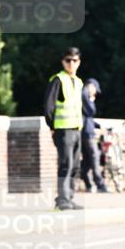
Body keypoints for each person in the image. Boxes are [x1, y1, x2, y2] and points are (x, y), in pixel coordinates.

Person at [44, 47, 84, 211]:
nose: (71, 63)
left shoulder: (79, 82)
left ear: (79, 62)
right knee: (65, 164)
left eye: (74, 60)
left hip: (76, 128)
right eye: (68, 60)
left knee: (75, 165)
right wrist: (52, 126)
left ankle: (69, 197)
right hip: (63, 129)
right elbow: (49, 105)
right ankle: (61, 199)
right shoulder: (58, 80)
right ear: (63, 62)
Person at [80, 78, 109, 193]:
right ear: (91, 86)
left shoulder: (83, 94)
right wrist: (91, 101)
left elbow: (87, 117)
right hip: (87, 133)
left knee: (87, 160)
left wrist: (99, 126)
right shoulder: (84, 94)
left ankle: (88, 183)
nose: (96, 93)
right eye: (96, 90)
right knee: (95, 156)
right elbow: (91, 111)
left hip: (85, 131)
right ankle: (100, 185)